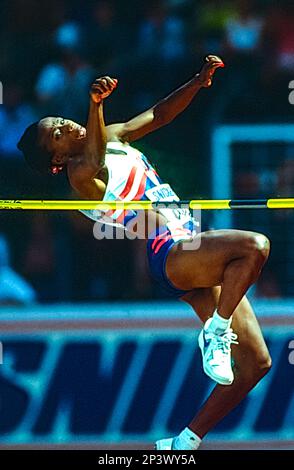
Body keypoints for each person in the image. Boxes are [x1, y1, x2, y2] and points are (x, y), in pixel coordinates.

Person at [18, 55, 272, 450]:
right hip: (170, 250)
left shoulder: (114, 137)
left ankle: (183, 443)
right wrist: (96, 105)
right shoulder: (80, 176)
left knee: (256, 364)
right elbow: (95, 158)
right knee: (254, 246)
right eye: (56, 134)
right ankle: (216, 331)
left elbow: (157, 115)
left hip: (191, 242)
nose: (65, 125)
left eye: (58, 120)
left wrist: (196, 82)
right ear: (56, 161)